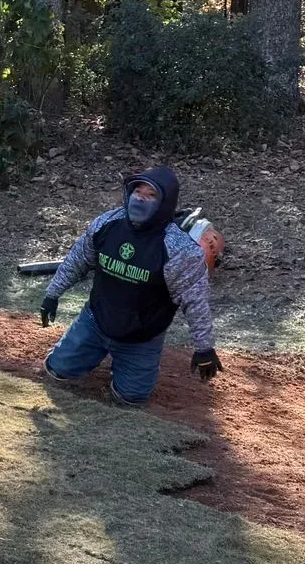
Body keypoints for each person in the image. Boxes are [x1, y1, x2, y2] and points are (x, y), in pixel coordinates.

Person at [37, 164, 221, 406]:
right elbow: (77, 260)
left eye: (151, 195)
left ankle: (124, 369)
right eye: (137, 192)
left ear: (165, 203)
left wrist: (204, 348)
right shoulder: (106, 225)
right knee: (57, 371)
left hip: (142, 337)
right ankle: (84, 353)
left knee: (131, 399)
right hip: (95, 322)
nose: (141, 199)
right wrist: (53, 294)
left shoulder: (179, 251)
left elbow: (195, 301)